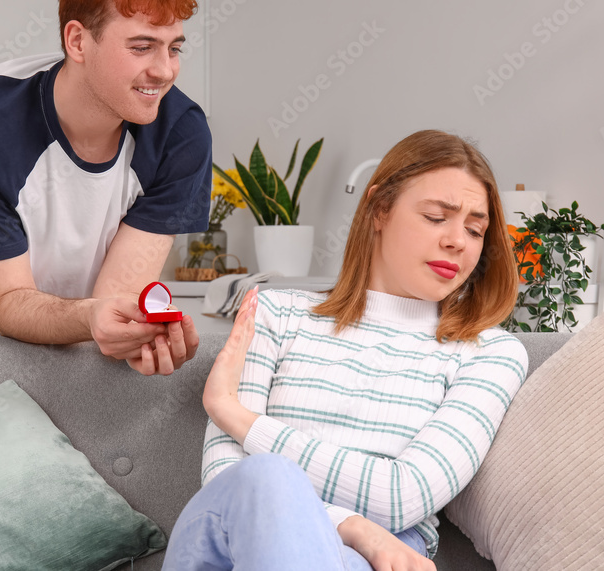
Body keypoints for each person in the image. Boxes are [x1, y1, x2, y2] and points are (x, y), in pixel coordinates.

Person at [163, 130, 528, 569]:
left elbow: (401, 496)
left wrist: (237, 417)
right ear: (380, 209)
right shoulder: (275, 312)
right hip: (229, 540)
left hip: (375, 558)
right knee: (267, 477)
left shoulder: (490, 353)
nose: (458, 241)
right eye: (436, 217)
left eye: (475, 229)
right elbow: (230, 480)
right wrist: (352, 525)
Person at [0, 0, 212, 376]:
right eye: (141, 46)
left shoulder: (181, 133)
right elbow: (7, 303)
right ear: (77, 42)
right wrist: (94, 316)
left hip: (86, 337)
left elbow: (117, 296)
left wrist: (131, 328)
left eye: (174, 47)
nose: (165, 70)